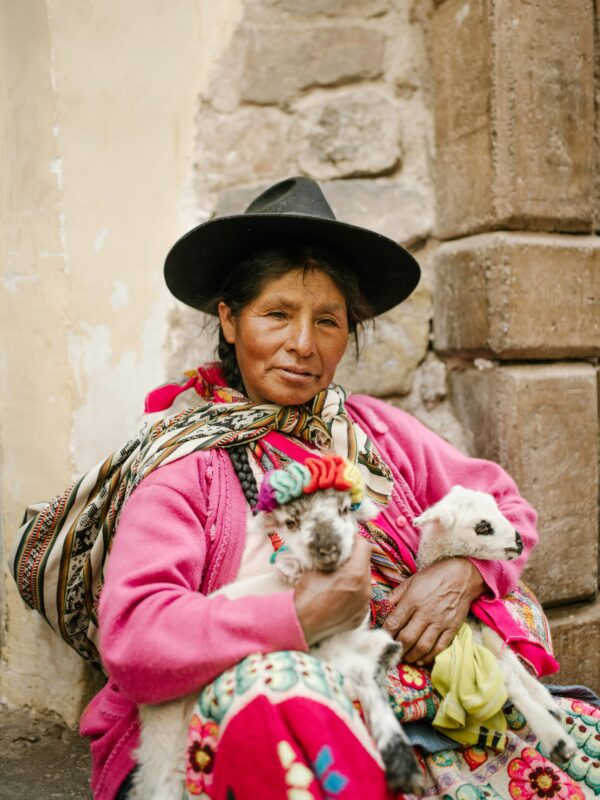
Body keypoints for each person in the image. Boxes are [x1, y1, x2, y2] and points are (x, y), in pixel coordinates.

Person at [80, 177, 599, 800]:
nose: (304, 344)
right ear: (228, 317)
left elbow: (508, 510)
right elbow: (135, 637)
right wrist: (299, 617)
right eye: (276, 315)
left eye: (327, 321)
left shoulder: (373, 429)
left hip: (425, 712)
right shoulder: (187, 464)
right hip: (257, 726)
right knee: (279, 700)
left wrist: (462, 575)